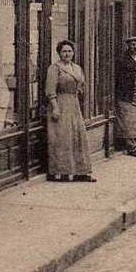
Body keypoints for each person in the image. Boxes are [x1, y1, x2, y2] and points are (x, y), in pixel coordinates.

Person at [45, 40, 95, 182]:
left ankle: (80, 171)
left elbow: (81, 85)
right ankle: (61, 172)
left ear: (73, 53)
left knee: (77, 136)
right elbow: (50, 90)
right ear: (59, 53)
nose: (67, 54)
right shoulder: (54, 68)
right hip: (60, 104)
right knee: (62, 138)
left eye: (69, 51)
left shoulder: (77, 68)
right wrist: (55, 107)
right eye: (64, 51)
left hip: (74, 104)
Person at [114, 36, 136, 157]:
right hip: (126, 94)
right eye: (133, 44)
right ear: (128, 46)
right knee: (127, 121)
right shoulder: (122, 60)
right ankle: (131, 147)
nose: (135, 47)